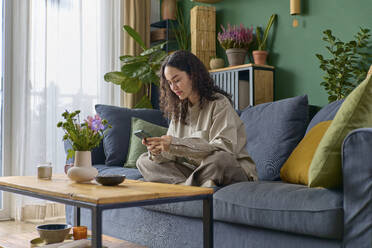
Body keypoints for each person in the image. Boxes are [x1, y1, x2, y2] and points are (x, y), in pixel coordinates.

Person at [136, 50, 257, 187]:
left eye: (177, 80)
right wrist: (158, 151)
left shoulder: (219, 103)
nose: (173, 87)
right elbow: (172, 153)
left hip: (228, 169)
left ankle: (185, 188)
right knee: (144, 161)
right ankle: (192, 187)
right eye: (169, 83)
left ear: (193, 75)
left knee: (220, 159)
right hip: (198, 172)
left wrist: (175, 144)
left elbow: (224, 148)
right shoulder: (180, 110)